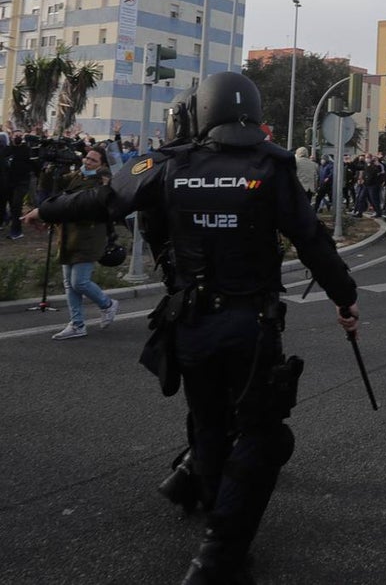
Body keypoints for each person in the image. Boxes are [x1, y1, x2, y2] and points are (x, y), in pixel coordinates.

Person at [24, 71, 360, 584]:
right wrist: (346, 300)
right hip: (250, 325)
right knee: (263, 436)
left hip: (191, 324)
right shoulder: (272, 168)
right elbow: (313, 241)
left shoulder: (167, 165)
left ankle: (201, 492)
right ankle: (218, 557)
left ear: (200, 111)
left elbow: (102, 201)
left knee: (208, 423)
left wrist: (44, 210)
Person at [47, 145, 119, 340]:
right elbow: (53, 186)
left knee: (79, 282)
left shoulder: (102, 182)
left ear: (102, 164)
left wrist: (103, 177)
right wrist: (49, 168)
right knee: (69, 284)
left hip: (89, 236)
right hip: (68, 234)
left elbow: (93, 203)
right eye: (87, 158)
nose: (87, 162)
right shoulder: (78, 176)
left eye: (93, 160)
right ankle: (77, 324)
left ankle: (108, 304)